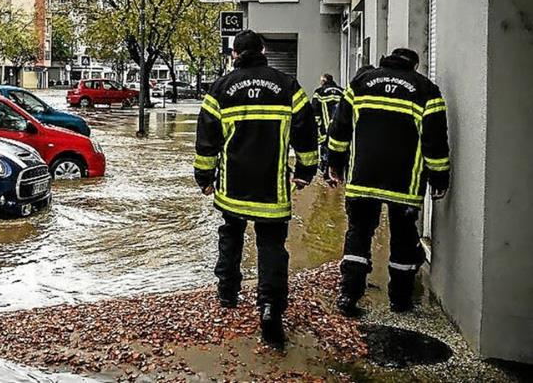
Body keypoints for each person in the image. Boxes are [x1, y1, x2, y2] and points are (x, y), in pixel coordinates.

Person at [193, 30, 318, 347]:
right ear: (263, 50)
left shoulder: (220, 89)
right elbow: (306, 134)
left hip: (233, 186)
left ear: (234, 54)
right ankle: (269, 309)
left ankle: (228, 293)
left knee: (231, 234)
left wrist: (204, 178)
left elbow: (207, 141)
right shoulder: (288, 86)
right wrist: (306, 171)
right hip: (272, 190)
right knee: (272, 246)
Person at [326, 48, 450, 316]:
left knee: (358, 234)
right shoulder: (426, 90)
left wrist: (335, 163)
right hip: (404, 183)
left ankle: (349, 295)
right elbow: (435, 141)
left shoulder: (359, 85)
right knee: (404, 239)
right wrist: (440, 177)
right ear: (414, 66)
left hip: (362, 179)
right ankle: (400, 301)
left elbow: (340, 129)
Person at [311, 74, 343, 179]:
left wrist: (317, 125)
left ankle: (325, 169)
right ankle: (338, 171)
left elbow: (315, 110)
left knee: (325, 146)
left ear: (324, 81)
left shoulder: (319, 92)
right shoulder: (342, 91)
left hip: (326, 127)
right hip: (340, 126)